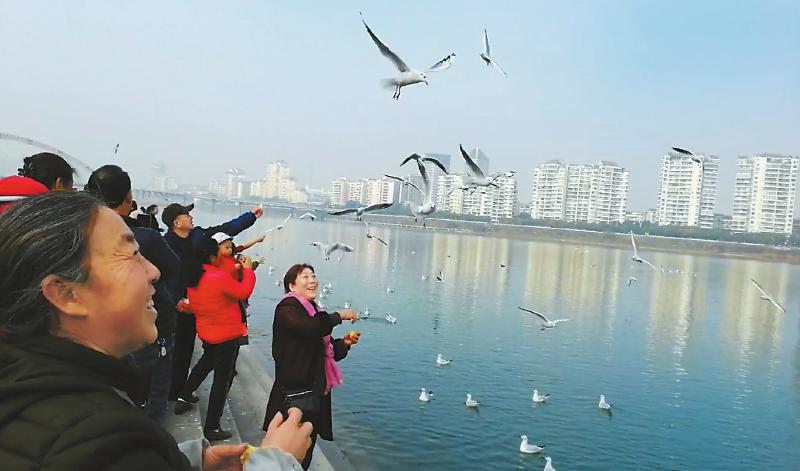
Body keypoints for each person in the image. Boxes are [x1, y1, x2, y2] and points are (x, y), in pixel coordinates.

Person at [0, 192, 312, 469]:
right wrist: (276, 461)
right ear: (66, 294)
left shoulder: (32, 386)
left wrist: (183, 461)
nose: (154, 271)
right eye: (132, 255)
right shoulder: (90, 437)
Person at [84, 164, 180, 423]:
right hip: (148, 326)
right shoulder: (144, 236)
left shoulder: (81, 233)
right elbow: (171, 268)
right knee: (156, 390)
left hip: (97, 327)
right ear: (128, 196)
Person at [163, 201, 263, 413]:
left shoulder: (198, 236)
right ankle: (176, 390)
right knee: (180, 349)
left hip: (200, 303)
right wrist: (176, 300)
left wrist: (250, 216)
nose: (191, 217)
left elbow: (226, 229)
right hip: (179, 306)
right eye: (186, 215)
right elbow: (163, 277)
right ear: (176, 223)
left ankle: (183, 391)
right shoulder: (165, 244)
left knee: (197, 349)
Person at [263, 264, 361, 469]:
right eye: (305, 276)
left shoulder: (313, 310)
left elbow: (322, 349)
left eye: (313, 275)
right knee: (286, 455)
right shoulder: (288, 308)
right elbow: (311, 328)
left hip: (313, 392)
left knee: (304, 450)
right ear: (292, 285)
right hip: (294, 394)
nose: (312, 280)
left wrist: (343, 343)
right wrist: (339, 316)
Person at [178, 236, 256, 441]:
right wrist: (248, 271)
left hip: (207, 331)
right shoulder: (217, 277)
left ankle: (184, 394)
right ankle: (212, 426)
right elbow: (242, 291)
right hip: (226, 334)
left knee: (206, 362)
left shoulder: (194, 276)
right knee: (222, 380)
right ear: (212, 256)